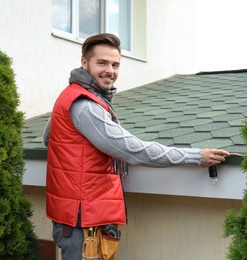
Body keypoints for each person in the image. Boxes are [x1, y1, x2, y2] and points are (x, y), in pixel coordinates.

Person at [43, 33, 229, 260]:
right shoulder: (85, 106)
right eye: (102, 63)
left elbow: (49, 138)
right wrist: (196, 156)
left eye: (115, 64)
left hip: (78, 214)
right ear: (84, 62)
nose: (109, 70)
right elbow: (132, 150)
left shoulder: (71, 95)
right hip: (83, 219)